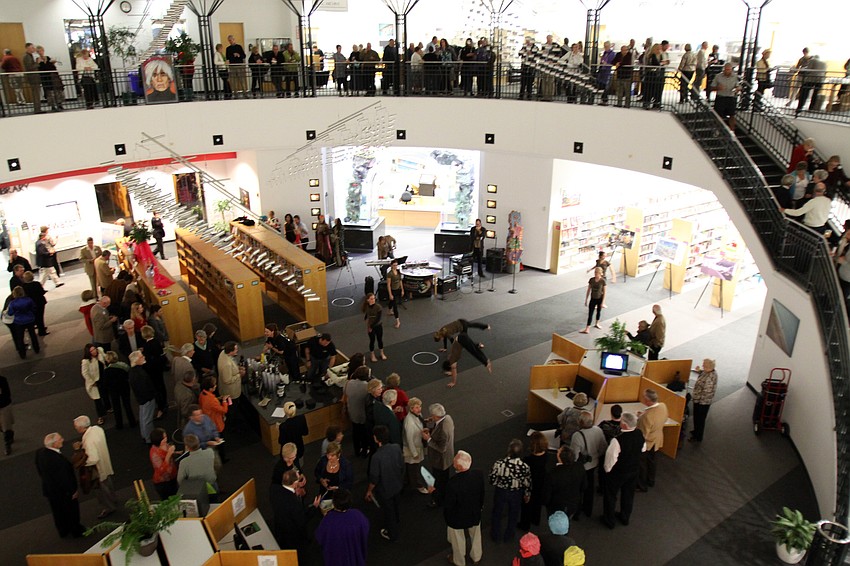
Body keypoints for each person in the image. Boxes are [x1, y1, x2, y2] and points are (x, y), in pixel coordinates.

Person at [35, 433, 85, 538]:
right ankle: (76, 530)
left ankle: (63, 530)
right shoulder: (57, 460)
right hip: (64, 492)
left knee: (58, 512)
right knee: (72, 511)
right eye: (60, 439)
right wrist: (73, 491)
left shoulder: (40, 453)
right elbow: (65, 478)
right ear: (54, 444)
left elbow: (40, 470)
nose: (62, 439)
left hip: (50, 490)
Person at [601, 412, 644, 529]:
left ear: (624, 425)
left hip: (618, 473)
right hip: (634, 470)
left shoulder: (617, 440)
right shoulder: (640, 434)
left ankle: (609, 520)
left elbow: (610, 459)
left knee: (611, 495)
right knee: (628, 495)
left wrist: (607, 471)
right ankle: (625, 517)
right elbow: (643, 449)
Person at [443, 450, 485, 566]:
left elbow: (448, 504)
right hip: (474, 513)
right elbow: (482, 493)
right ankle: (476, 557)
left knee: (458, 541)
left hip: (457, 518)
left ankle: (459, 561)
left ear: (458, 467)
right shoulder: (478, 475)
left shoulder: (452, 483)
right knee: (476, 535)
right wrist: (480, 507)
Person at [74, 415, 119, 519]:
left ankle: (109, 507)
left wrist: (82, 462)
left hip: (97, 470)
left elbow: (93, 459)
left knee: (101, 490)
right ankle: (114, 499)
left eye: (76, 427)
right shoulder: (97, 429)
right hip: (105, 463)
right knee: (108, 483)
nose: (75, 429)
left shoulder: (89, 441)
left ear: (81, 428)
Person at [366, 425, 404, 542]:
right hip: (397, 484)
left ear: (376, 439)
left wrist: (369, 490)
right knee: (396, 505)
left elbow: (374, 478)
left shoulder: (376, 457)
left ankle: (392, 534)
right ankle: (397, 520)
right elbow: (402, 465)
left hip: (385, 489)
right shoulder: (396, 447)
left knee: (388, 512)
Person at [490, 439, 532, 543]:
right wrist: (527, 494)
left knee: (497, 512)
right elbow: (527, 483)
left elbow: (492, 479)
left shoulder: (499, 464)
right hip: (516, 494)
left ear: (509, 450)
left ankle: (495, 534)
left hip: (501, 492)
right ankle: (509, 535)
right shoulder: (524, 467)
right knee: (513, 514)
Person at [270, 469, 318, 558]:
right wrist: (314, 507)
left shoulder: (275, 489)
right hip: (292, 535)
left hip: (280, 528)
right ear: (294, 483)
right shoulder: (293, 502)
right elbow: (302, 520)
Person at [315, 489, 369, 566]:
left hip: (338, 558)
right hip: (355, 554)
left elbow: (320, 537)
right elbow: (365, 529)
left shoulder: (328, 520)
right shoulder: (358, 515)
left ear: (334, 503)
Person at [569, 411, 607, 519]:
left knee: (578, 489)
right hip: (593, 463)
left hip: (582, 466)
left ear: (580, 422)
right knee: (589, 488)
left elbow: (574, 456)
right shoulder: (598, 430)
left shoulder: (577, 436)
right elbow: (603, 448)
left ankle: (576, 513)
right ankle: (588, 510)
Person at [636, 388, 668, 491]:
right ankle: (651, 481)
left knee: (642, 464)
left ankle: (642, 485)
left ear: (647, 400)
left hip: (647, 442)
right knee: (652, 461)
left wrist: (640, 419)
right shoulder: (663, 406)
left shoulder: (647, 416)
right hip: (657, 439)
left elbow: (642, 434)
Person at [423, 402, 454, 507]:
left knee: (439, 481)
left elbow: (441, 448)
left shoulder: (443, 431)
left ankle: (437, 500)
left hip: (440, 460)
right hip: (448, 457)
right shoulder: (447, 418)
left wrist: (429, 439)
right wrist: (432, 427)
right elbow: (438, 428)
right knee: (445, 479)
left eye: (432, 415)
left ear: (436, 416)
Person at [542, 444, 586, 519]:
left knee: (555, 524)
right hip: (573, 503)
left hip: (556, 505)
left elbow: (547, 494)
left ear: (560, 458)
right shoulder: (579, 467)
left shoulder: (553, 474)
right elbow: (584, 486)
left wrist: (546, 503)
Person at [518, 431, 550, 531]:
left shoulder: (528, 460)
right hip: (542, 484)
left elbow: (525, 477)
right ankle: (536, 520)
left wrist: (526, 493)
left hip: (531, 485)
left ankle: (525, 524)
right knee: (537, 503)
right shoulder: (546, 455)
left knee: (527, 507)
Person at [103, 350, 136, 429]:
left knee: (116, 406)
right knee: (127, 405)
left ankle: (119, 424)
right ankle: (132, 422)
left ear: (108, 359)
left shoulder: (106, 371)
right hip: (124, 388)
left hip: (113, 391)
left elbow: (105, 383)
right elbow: (129, 376)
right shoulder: (124, 366)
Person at [129, 350, 157, 442]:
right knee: (147, 420)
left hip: (141, 399)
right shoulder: (140, 374)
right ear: (136, 360)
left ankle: (144, 435)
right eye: (141, 357)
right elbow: (144, 388)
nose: (144, 357)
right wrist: (150, 397)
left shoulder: (133, 371)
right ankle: (149, 439)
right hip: (146, 399)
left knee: (143, 418)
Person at [343, 365, 370, 458]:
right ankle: (365, 450)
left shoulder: (349, 383)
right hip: (363, 414)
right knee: (364, 433)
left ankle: (357, 450)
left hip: (352, 412)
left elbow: (345, 393)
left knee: (355, 432)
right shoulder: (367, 387)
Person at [402, 396, 428, 493]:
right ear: (411, 408)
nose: (419, 409)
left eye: (420, 406)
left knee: (410, 467)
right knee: (414, 468)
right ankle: (418, 485)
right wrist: (414, 453)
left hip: (417, 445)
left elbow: (420, 422)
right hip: (412, 448)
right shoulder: (409, 422)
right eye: (417, 407)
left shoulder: (417, 414)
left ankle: (406, 481)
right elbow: (409, 440)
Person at [7, 285, 39, 358]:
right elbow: (34, 308)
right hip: (29, 319)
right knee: (33, 335)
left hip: (19, 322)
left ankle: (22, 354)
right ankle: (36, 348)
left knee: (20, 338)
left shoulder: (12, 303)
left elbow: (10, 313)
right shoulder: (29, 300)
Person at [690, 358, 718, 442]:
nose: (702, 366)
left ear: (708, 367)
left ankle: (698, 436)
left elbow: (706, 393)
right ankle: (696, 431)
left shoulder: (710, 378)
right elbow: (703, 372)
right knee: (697, 418)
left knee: (700, 419)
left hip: (702, 403)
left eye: (704, 365)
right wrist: (699, 370)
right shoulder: (709, 371)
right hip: (699, 400)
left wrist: (697, 401)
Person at [81, 343, 108, 425]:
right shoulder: (86, 361)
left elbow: (105, 358)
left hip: (103, 377)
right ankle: (101, 416)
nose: (94, 351)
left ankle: (108, 407)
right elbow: (85, 373)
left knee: (105, 394)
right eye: (91, 350)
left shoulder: (100, 351)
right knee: (97, 400)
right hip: (95, 382)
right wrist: (92, 382)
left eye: (94, 349)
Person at [149, 428, 178, 499]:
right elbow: (162, 470)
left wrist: (176, 452)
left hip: (173, 476)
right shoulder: (154, 453)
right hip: (163, 482)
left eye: (166, 437)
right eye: (164, 438)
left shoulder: (165, 445)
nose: (166, 439)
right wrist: (169, 454)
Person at [711, 63, 741, 131]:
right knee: (718, 115)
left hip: (731, 97)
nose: (727, 71)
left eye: (729, 70)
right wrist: (717, 87)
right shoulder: (718, 76)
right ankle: (717, 129)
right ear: (724, 69)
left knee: (732, 115)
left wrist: (737, 89)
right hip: (721, 97)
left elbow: (738, 86)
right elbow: (711, 87)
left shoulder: (735, 77)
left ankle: (732, 131)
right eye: (726, 70)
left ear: (731, 70)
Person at [580, 267, 607, 333]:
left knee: (598, 311)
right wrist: (586, 299)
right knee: (590, 313)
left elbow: (604, 292)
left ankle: (597, 323)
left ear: (600, 273)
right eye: (595, 272)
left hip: (599, 298)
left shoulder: (602, 281)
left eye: (597, 273)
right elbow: (588, 289)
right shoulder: (591, 280)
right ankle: (587, 328)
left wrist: (603, 302)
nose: (595, 274)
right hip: (593, 298)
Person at [362, 292, 386, 362]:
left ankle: (382, 353)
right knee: (372, 340)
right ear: (368, 300)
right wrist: (366, 319)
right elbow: (367, 313)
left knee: (379, 339)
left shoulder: (378, 307)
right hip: (370, 326)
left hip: (378, 325)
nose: (373, 300)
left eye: (374, 299)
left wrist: (371, 326)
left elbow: (378, 318)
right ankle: (372, 355)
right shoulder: (366, 307)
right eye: (371, 299)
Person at [22, 271, 48, 336]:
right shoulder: (37, 284)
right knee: (40, 317)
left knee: (34, 316)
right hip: (39, 302)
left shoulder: (23, 286)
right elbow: (42, 292)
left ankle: (33, 330)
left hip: (30, 304)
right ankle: (41, 331)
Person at [22, 43, 42, 114]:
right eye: (32, 48)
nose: (34, 49)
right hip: (33, 77)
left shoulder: (29, 56)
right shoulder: (27, 57)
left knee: (36, 93)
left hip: (34, 77)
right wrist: (37, 63)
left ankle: (38, 108)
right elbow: (30, 67)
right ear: (27, 48)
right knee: (36, 94)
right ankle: (37, 109)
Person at [386, 260, 404, 329]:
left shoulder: (398, 272)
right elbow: (388, 285)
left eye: (396, 265)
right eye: (394, 265)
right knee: (395, 306)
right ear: (391, 265)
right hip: (393, 291)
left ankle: (389, 311)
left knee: (392, 301)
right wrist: (390, 294)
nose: (395, 267)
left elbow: (400, 281)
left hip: (398, 290)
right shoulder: (390, 274)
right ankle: (398, 321)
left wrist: (402, 290)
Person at [0, 374, 13, 455]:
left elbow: (7, 394)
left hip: (4, 406)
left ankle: (7, 444)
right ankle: (10, 435)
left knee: (6, 426)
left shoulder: (2, 380)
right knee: (2, 427)